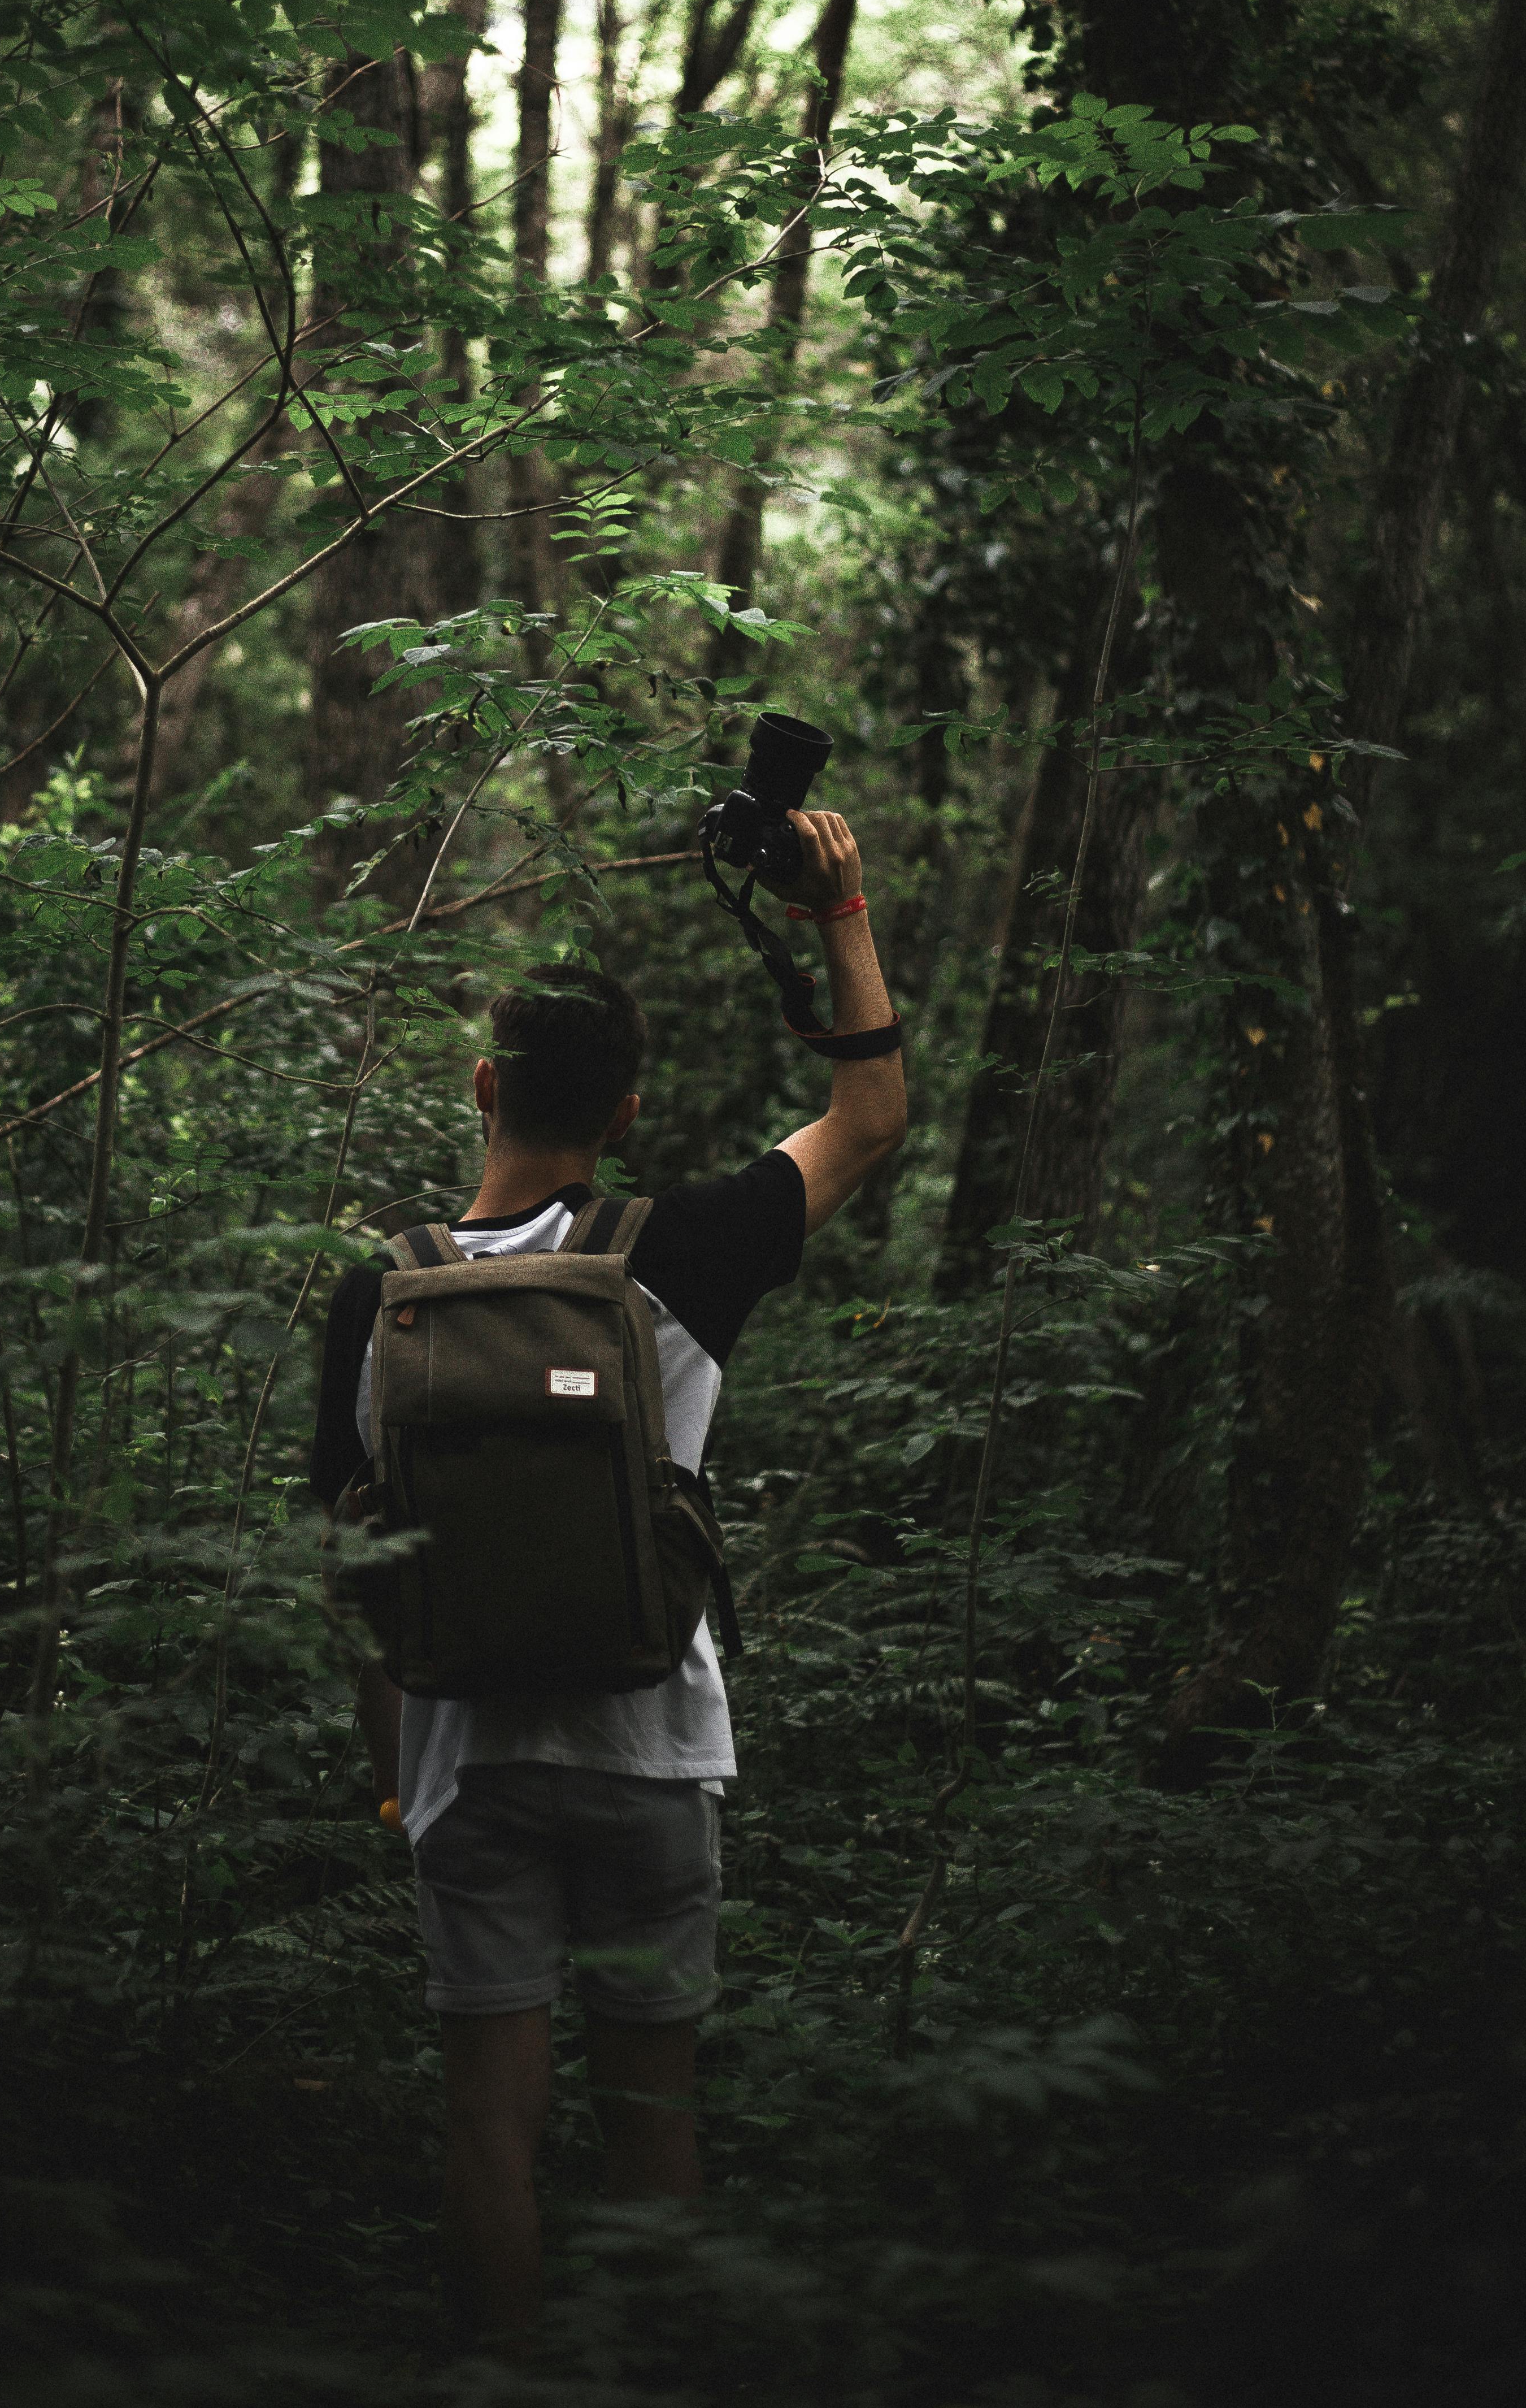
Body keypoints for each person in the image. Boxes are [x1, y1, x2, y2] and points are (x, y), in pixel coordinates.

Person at [308, 809, 906, 2344]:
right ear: (628, 1110)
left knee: (488, 2131)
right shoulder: (683, 1252)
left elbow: (356, 1582)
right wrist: (836, 910)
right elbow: (870, 1118)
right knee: (656, 2123)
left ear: (485, 1085)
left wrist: (399, 1789)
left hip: (469, 1769)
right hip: (651, 1753)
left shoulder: (382, 1300)